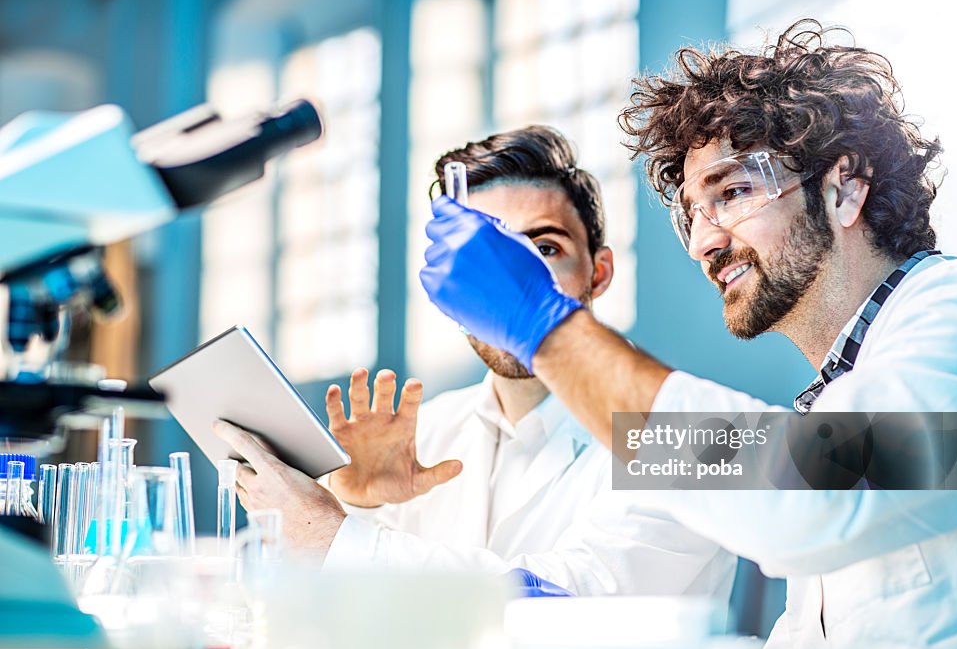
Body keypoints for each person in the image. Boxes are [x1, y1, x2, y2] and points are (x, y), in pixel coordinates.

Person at [417, 20, 957, 649]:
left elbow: (801, 497)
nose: (706, 242)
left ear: (844, 187)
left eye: (732, 192)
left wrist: (541, 324)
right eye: (692, 214)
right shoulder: (844, 394)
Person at [215, 126, 735, 600]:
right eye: (488, 258)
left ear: (598, 273)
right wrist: (356, 503)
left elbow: (568, 602)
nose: (508, 283)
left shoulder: (695, 435)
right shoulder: (428, 431)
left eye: (545, 249)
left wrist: (332, 536)